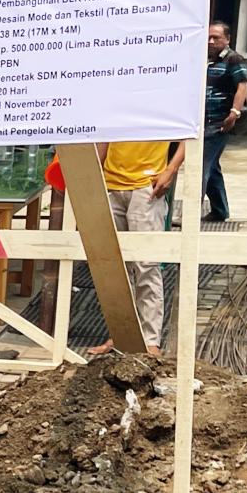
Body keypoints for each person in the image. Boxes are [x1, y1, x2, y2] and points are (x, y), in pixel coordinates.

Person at [87, 140, 186, 357]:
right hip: (111, 183)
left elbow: (192, 130)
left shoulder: (166, 103)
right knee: (116, 269)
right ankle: (122, 335)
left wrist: (170, 169)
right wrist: (95, 176)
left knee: (147, 266)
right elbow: (105, 133)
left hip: (147, 185)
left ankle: (151, 341)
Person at [203, 21, 247, 223]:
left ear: (227, 39)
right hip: (202, 121)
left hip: (219, 122)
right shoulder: (205, 59)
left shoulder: (233, 59)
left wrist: (235, 112)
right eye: (209, 37)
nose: (211, 41)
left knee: (202, 166)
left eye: (217, 37)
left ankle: (191, 216)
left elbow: (242, 86)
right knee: (212, 168)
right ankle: (220, 210)